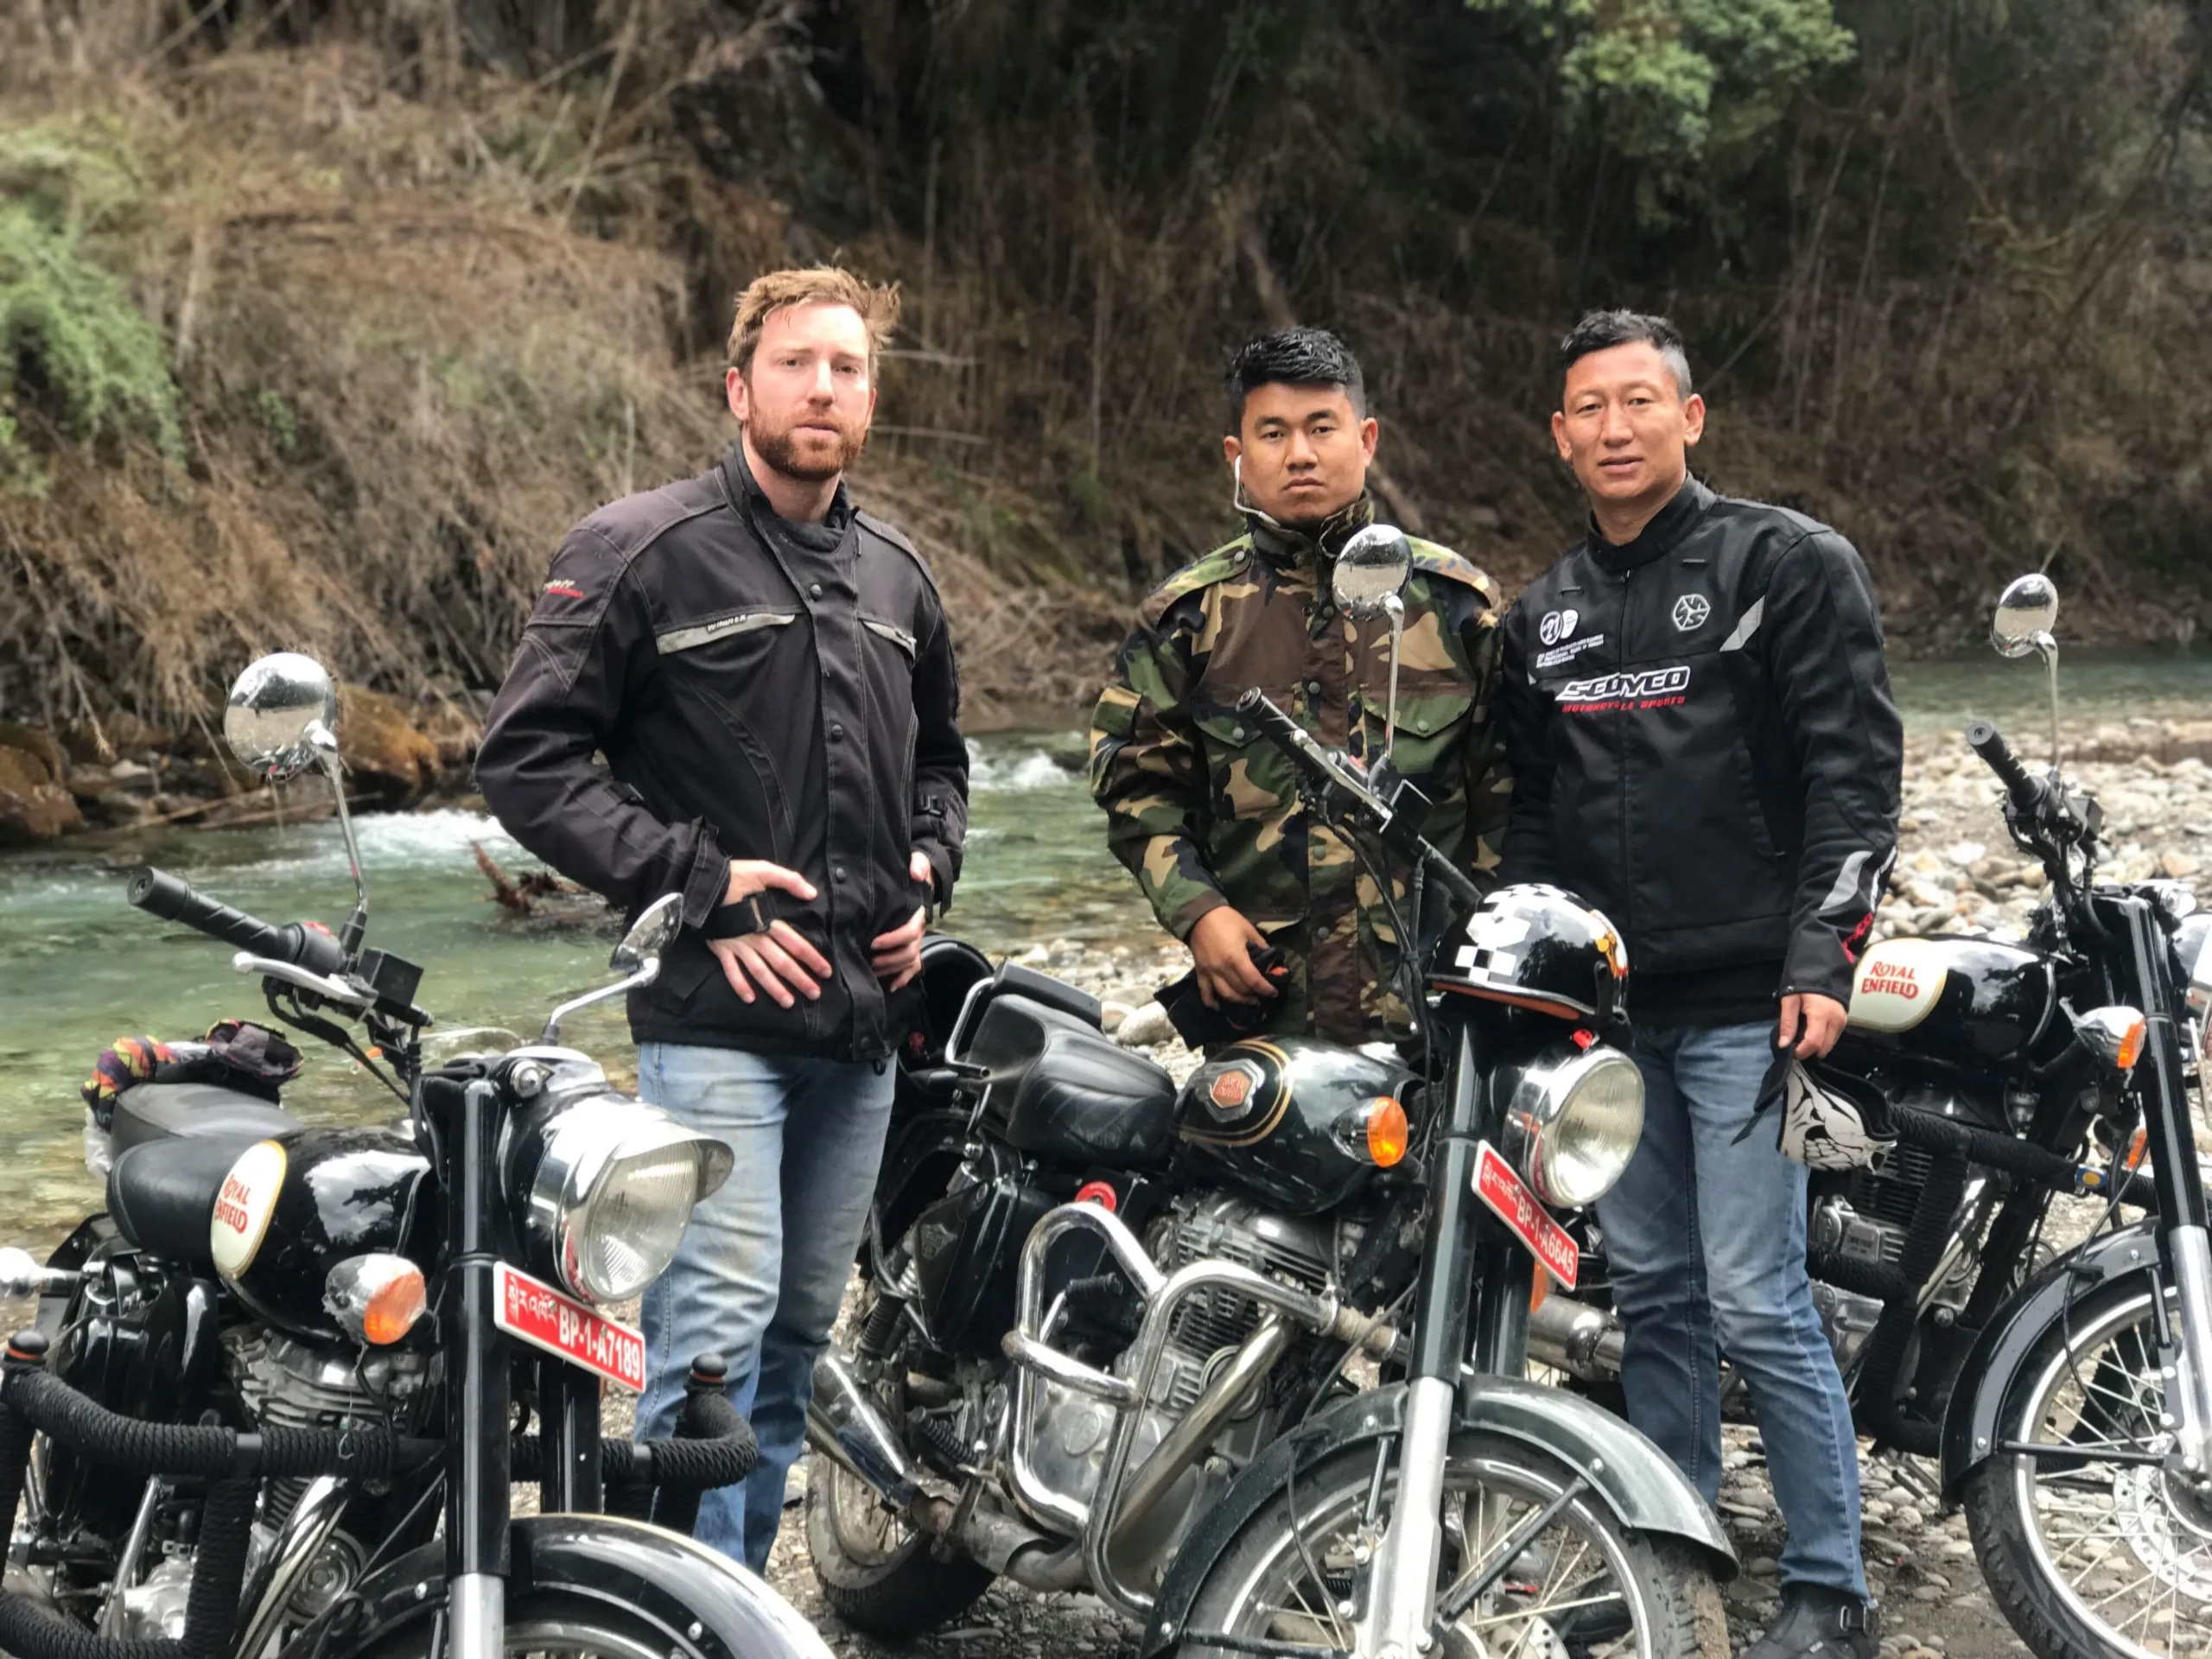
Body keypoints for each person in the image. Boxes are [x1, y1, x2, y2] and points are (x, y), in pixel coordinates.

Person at [475, 265, 969, 1572]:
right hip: (715, 1019)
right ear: (738, 389)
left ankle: (733, 1602)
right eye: (796, 364)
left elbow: (942, 762)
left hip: (863, 1027)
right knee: (710, 1343)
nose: (823, 388)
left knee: (798, 1337)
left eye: (847, 368)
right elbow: (526, 760)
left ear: (872, 398)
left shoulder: (898, 576)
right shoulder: (640, 549)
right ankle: (662, 1619)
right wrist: (695, 886)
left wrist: (929, 868)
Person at [1499, 309, 1901, 1658]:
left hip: (1749, 1006)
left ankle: (1831, 1589)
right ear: (1559, 437)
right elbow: (1532, 821)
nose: (1615, 428)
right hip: (1617, 1019)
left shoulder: (1783, 564)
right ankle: (1673, 1561)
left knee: (1756, 1295)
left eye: (1639, 402)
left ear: (1690, 415)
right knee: (1655, 1294)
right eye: (1589, 409)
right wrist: (1533, 982)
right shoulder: (1542, 616)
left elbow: (1855, 773)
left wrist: (1824, 956)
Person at [1090, 327, 1509, 1046]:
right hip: (1264, 1010)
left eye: (1322, 427)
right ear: (1237, 455)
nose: (1301, 454)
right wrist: (1200, 916)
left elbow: (1512, 798)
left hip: (1437, 1013)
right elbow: (1137, 790)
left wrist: (1495, 956)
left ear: (1367, 439)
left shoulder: (1456, 605)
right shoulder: (1188, 619)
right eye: (1273, 433)